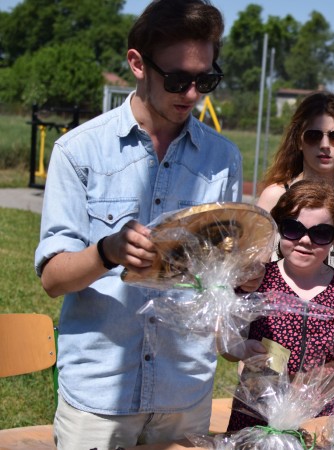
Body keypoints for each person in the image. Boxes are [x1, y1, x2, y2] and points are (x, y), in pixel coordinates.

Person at [33, 1, 242, 448]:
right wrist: (106, 252)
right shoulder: (79, 151)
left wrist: (243, 274)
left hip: (185, 391)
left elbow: (223, 275)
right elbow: (53, 279)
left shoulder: (223, 159)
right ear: (137, 64)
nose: (192, 95)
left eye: (205, 80)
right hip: (99, 395)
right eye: (177, 80)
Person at [226, 179, 334, 432]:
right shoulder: (256, 282)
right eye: (293, 229)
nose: (306, 240)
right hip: (260, 412)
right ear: (279, 229)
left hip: (323, 415)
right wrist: (240, 349)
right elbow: (227, 343)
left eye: (321, 233)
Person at [256, 91, 334, 393]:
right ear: (299, 140)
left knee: (326, 419)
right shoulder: (276, 196)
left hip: (332, 354)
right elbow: (252, 274)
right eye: (313, 135)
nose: (325, 145)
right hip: (278, 345)